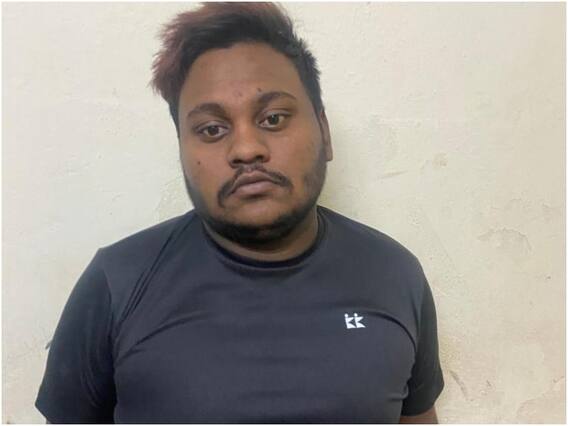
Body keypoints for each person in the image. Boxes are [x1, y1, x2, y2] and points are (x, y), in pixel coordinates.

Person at [35, 2, 444, 423]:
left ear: (324, 132)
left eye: (273, 118)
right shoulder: (116, 283)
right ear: (181, 148)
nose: (246, 149)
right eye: (212, 129)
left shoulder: (394, 275)